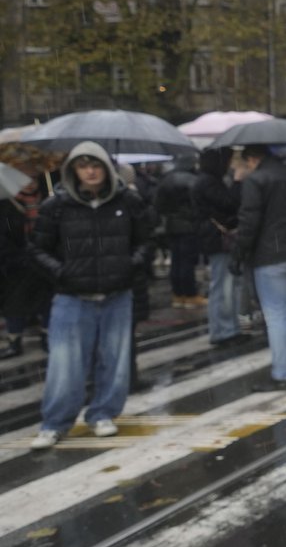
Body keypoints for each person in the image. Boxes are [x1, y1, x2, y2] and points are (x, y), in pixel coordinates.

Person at [29, 142, 152, 449]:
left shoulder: (128, 201)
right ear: (74, 171)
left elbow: (147, 240)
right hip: (72, 296)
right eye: (84, 166)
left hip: (116, 294)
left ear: (106, 169)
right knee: (66, 364)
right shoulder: (56, 206)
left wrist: (130, 266)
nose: (91, 171)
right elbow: (36, 249)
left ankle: (102, 413)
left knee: (115, 360)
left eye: (96, 165)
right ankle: (55, 423)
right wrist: (61, 272)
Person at [234, 145, 286, 391]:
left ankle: (282, 375)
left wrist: (239, 252)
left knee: (276, 314)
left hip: (271, 254)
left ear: (253, 159)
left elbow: (249, 220)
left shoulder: (256, 181)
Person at [191, 148, 245, 348]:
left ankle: (230, 328)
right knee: (223, 285)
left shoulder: (207, 180)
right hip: (217, 239)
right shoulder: (208, 182)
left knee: (227, 284)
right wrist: (238, 181)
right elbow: (229, 203)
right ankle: (223, 331)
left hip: (215, 238)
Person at [1, 175, 49, 359]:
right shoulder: (7, 202)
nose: (29, 183)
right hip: (17, 263)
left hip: (43, 260)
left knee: (47, 301)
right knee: (15, 303)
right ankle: (14, 341)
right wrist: (15, 257)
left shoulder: (47, 199)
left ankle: (47, 335)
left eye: (33, 179)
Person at [155, 154, 204, 309]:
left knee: (176, 261)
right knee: (187, 262)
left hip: (171, 225)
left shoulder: (166, 180)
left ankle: (177, 294)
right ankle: (190, 295)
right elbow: (199, 205)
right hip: (188, 226)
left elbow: (157, 204)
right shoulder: (193, 180)